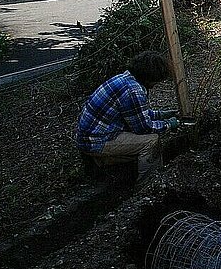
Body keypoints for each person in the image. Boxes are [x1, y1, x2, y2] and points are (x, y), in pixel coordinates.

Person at [77, 51, 180, 179]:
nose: (155, 85)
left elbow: (134, 114)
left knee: (140, 148)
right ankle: (147, 185)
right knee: (151, 141)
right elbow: (144, 128)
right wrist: (169, 124)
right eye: (156, 81)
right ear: (150, 78)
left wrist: (160, 115)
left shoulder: (124, 78)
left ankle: (103, 162)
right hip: (96, 141)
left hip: (92, 136)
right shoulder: (133, 91)